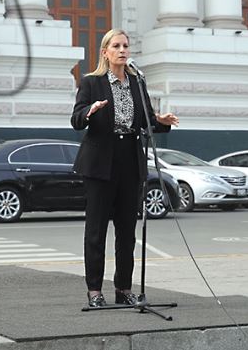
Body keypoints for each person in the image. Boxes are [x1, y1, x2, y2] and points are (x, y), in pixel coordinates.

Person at [71, 29, 179, 308]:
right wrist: (89, 111)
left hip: (129, 161)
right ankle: (95, 290)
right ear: (105, 51)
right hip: (99, 162)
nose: (122, 50)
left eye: (126, 46)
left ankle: (123, 288)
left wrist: (161, 121)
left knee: (127, 231)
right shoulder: (91, 82)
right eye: (116, 46)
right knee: (95, 231)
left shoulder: (137, 81)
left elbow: (144, 120)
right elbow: (76, 119)